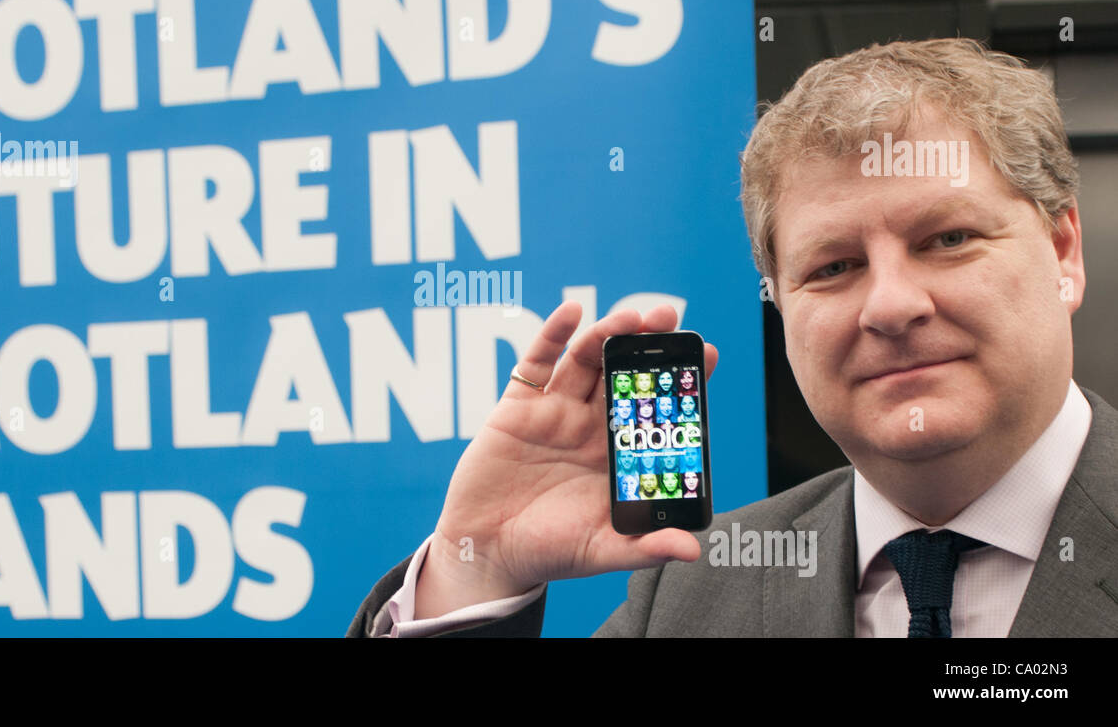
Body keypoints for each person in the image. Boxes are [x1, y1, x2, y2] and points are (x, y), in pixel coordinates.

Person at [348, 38, 1117, 638]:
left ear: (1062, 252)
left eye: (947, 239)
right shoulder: (692, 586)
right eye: (834, 266)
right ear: (779, 302)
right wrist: (476, 568)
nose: (890, 305)